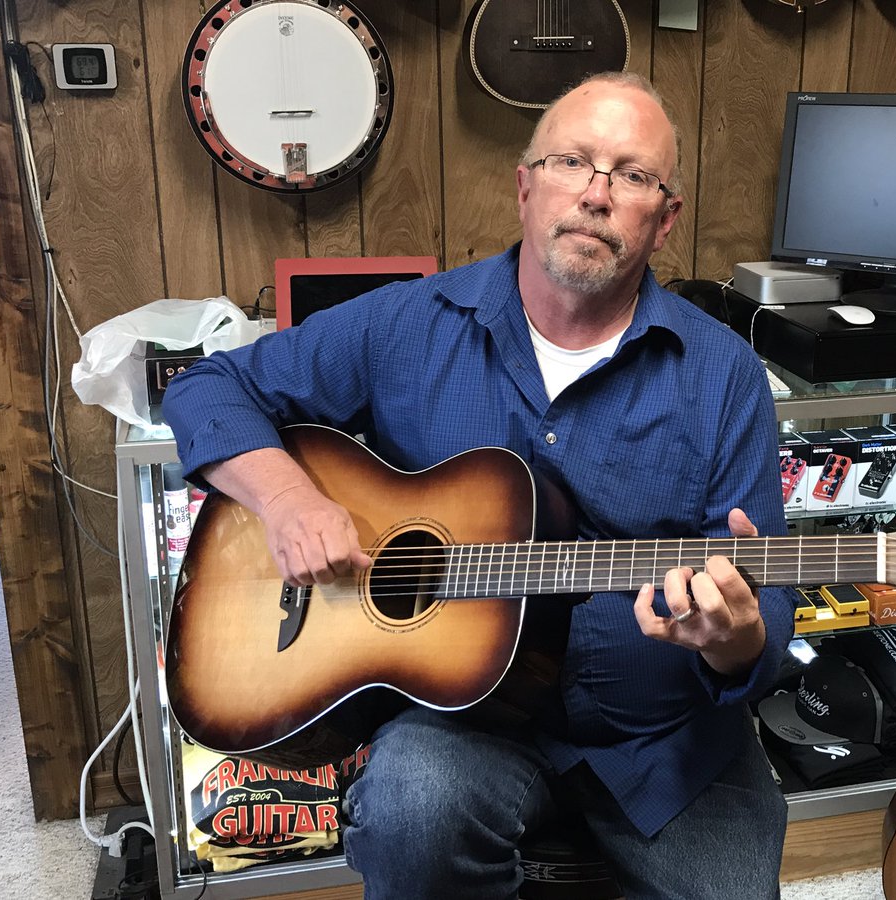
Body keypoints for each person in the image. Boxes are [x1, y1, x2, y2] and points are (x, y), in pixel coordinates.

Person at [164, 71, 795, 899]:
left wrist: (729, 637)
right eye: (573, 161)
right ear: (526, 186)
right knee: (409, 814)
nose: (598, 195)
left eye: (634, 176)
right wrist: (288, 499)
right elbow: (205, 388)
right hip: (464, 724)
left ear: (665, 217)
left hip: (663, 739)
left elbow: (765, 616)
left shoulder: (725, 374)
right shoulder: (406, 323)